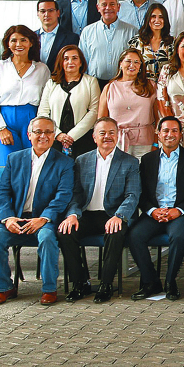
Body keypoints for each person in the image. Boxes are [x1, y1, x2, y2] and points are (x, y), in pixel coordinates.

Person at [0, 116, 74, 306]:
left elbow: (63, 196)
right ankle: (4, 288)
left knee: (48, 239)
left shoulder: (64, 162)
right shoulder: (14, 158)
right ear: (29, 135)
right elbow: (2, 193)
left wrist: (44, 218)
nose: (44, 136)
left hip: (44, 220)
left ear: (54, 135)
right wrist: (7, 219)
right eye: (38, 132)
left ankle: (49, 289)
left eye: (49, 132)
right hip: (16, 218)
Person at [57, 118, 141, 303]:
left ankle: (106, 284)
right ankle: (80, 283)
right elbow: (76, 193)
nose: (107, 137)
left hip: (113, 214)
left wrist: (119, 216)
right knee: (65, 232)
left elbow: (132, 195)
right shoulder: (82, 160)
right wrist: (72, 214)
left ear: (118, 135)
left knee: (115, 232)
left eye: (112, 132)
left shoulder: (130, 162)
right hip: (87, 214)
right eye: (102, 133)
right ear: (94, 137)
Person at [127, 116, 184, 302]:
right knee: (134, 235)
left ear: (180, 134)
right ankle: (151, 282)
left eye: (174, 130)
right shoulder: (147, 160)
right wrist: (152, 210)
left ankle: (170, 282)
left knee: (178, 236)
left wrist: (180, 210)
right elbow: (141, 193)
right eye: (166, 131)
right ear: (158, 134)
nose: (170, 134)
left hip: (180, 214)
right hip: (155, 212)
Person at [0, 25, 50, 169]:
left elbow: (46, 101)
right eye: (13, 40)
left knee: (33, 165)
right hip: (5, 120)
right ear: (8, 43)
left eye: (23, 40)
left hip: (32, 119)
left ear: (31, 42)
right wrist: (1, 128)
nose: (18, 44)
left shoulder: (41, 69)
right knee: (7, 165)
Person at [38, 45, 100, 159]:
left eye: (75, 58)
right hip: (55, 139)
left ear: (81, 62)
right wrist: (58, 134)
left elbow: (94, 111)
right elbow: (43, 112)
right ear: (61, 62)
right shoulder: (51, 83)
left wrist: (71, 136)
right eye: (66, 59)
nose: (70, 62)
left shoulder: (91, 82)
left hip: (83, 139)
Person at [98, 49, 156, 160]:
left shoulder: (151, 86)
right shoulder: (109, 87)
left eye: (136, 62)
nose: (132, 65)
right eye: (128, 61)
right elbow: (101, 120)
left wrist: (156, 143)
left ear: (140, 67)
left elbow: (158, 119)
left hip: (145, 143)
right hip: (116, 141)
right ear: (121, 63)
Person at [79, 0, 139, 85]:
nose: (108, 8)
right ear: (98, 7)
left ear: (118, 7)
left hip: (124, 83)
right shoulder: (87, 32)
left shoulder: (132, 31)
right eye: (104, 4)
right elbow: (82, 62)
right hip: (94, 84)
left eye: (112, 4)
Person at [128, 3, 173, 80]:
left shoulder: (173, 42)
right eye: (153, 16)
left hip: (166, 87)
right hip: (142, 86)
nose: (157, 20)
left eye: (161, 17)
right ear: (148, 19)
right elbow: (130, 66)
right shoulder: (137, 41)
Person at [35, 0, 78, 72]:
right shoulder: (31, 37)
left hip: (59, 81)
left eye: (50, 10)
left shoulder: (71, 38)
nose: (46, 14)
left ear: (58, 13)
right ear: (38, 14)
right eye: (42, 11)